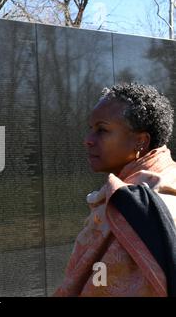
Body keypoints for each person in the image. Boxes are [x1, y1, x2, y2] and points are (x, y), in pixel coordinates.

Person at [54, 83, 176, 297]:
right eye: (90, 129)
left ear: (140, 141)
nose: (88, 140)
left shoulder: (129, 205)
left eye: (102, 130)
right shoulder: (170, 177)